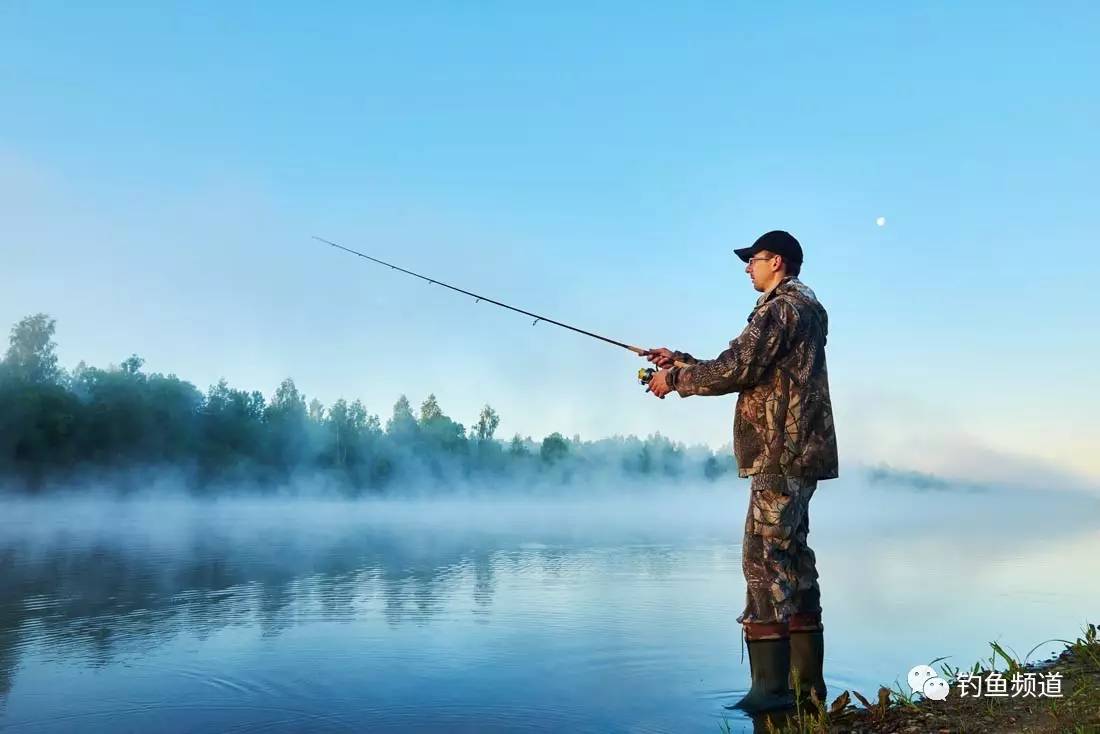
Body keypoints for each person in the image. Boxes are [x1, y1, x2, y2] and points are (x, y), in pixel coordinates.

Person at [643, 230, 838, 713]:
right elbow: (756, 367)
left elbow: (739, 366)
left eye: (753, 260)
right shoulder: (804, 309)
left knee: (764, 560)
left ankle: (770, 693)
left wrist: (676, 380)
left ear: (779, 262)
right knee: (792, 558)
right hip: (801, 451)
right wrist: (682, 361)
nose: (747, 267)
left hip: (779, 451)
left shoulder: (779, 309)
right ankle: (805, 689)